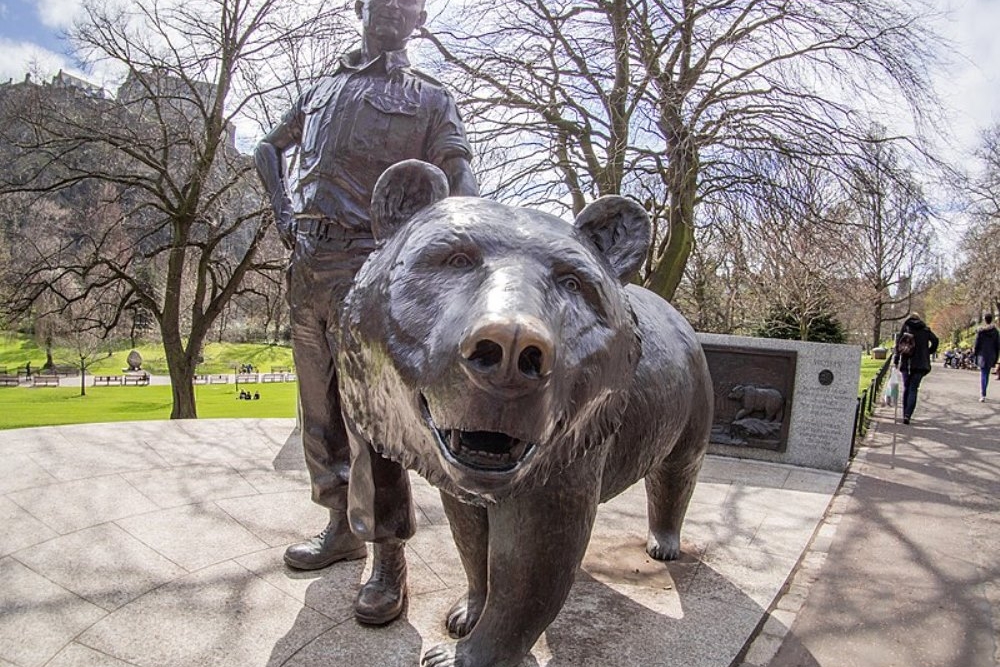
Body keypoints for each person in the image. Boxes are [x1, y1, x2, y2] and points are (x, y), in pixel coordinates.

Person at [254, 0, 478, 627]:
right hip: (307, 262)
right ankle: (338, 525)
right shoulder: (323, 84)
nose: (387, 13)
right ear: (360, 8)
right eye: (378, 3)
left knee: (369, 417)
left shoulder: (430, 98)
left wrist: (460, 249)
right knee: (317, 408)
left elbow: (459, 178)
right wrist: (280, 210)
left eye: (402, 8)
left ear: (418, 22)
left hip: (370, 262)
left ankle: (387, 557)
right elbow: (268, 150)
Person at [892, 312, 939, 425]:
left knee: (906, 388)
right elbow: (935, 340)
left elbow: (898, 344)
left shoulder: (906, 328)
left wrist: (896, 359)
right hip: (921, 364)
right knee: (913, 389)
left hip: (907, 363)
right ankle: (908, 414)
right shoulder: (925, 330)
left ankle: (904, 413)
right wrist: (928, 351)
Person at [973, 313, 1000, 402]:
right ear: (991, 319)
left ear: (985, 319)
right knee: (986, 373)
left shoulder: (981, 331)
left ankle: (983, 393)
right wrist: (996, 356)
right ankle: (984, 392)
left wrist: (975, 353)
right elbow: (998, 345)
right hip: (991, 354)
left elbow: (977, 343)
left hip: (982, 354)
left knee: (983, 373)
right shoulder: (995, 332)